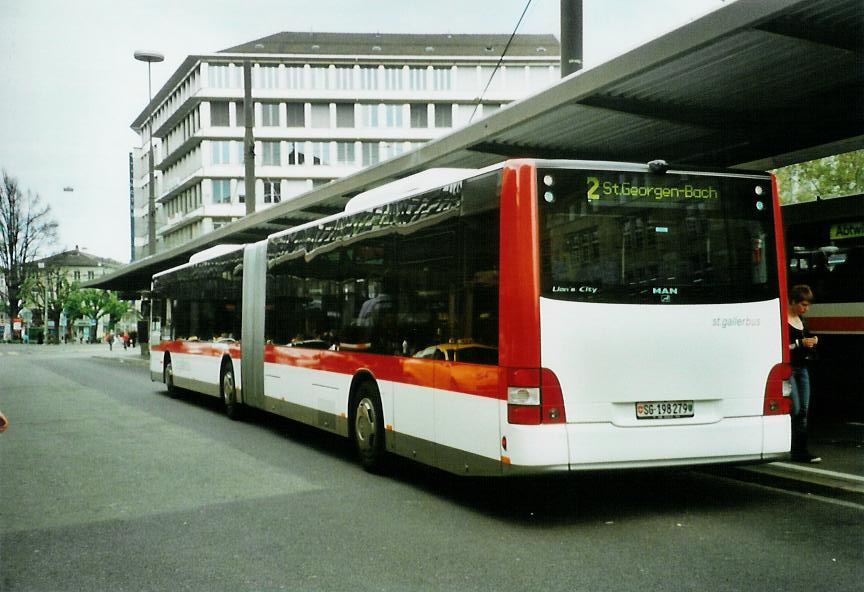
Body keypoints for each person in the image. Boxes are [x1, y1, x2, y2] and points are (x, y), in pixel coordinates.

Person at [787, 284, 821, 463]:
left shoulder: (802, 320)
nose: (805, 309)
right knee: (797, 408)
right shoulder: (782, 320)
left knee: (804, 410)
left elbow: (805, 338)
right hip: (789, 368)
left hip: (802, 367)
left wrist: (813, 341)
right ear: (793, 302)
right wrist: (801, 343)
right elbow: (782, 347)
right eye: (803, 305)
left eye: (807, 306)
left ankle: (801, 450)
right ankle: (794, 447)